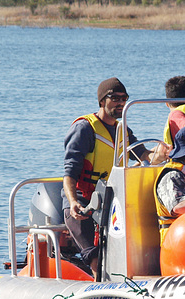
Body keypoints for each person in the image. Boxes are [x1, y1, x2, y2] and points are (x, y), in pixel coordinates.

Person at [62, 77, 169, 277]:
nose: (121, 103)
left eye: (124, 98)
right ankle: (98, 284)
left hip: (110, 201)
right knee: (94, 256)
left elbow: (144, 156)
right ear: (102, 101)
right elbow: (69, 171)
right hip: (83, 200)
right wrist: (73, 201)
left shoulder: (123, 130)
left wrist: (161, 154)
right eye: (115, 98)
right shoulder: (85, 129)